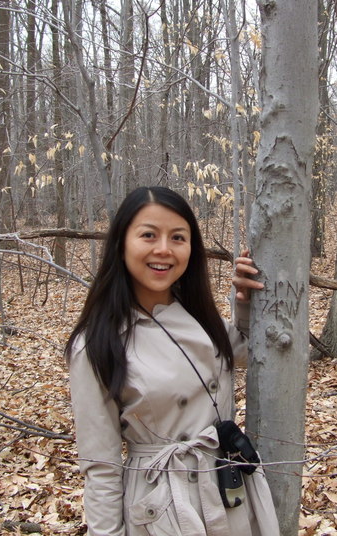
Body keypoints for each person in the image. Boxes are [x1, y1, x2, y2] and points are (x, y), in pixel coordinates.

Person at [65, 186, 279, 536]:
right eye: (148, 235)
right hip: (161, 505)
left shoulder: (196, 314)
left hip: (228, 487)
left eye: (178, 237)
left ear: (191, 249)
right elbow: (100, 466)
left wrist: (246, 302)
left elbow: (247, 354)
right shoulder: (98, 344)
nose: (164, 249)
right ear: (121, 243)